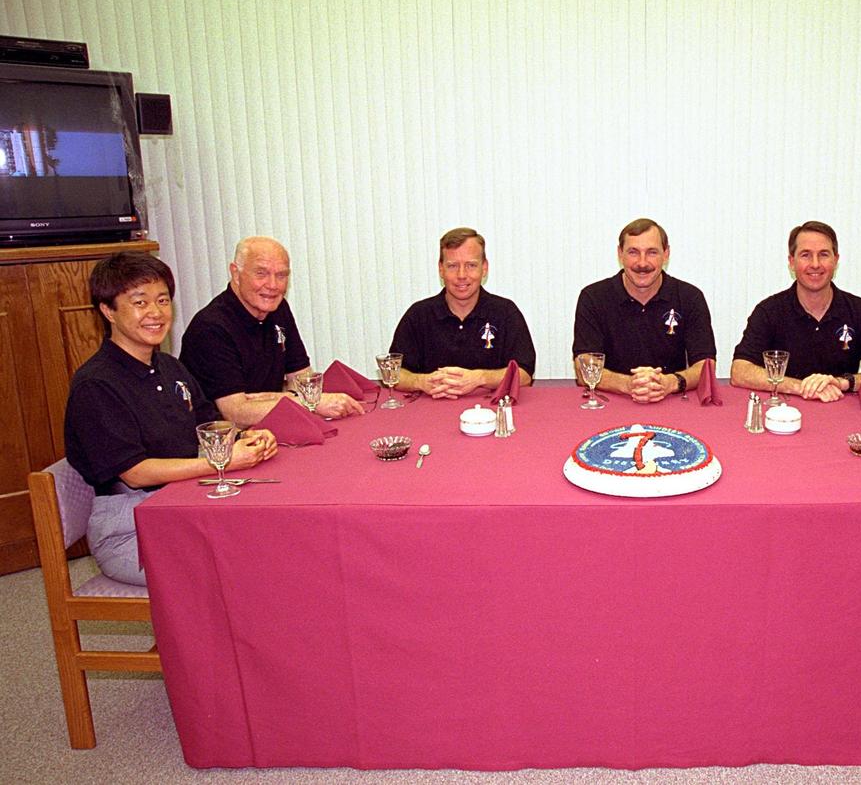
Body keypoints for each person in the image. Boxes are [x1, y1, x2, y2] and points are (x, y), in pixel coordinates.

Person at [64, 252, 277, 585]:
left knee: (270, 539)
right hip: (129, 525)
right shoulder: (96, 384)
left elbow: (209, 425)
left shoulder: (170, 367)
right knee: (241, 567)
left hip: (183, 502)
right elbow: (135, 473)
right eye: (139, 302)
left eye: (162, 300)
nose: (155, 313)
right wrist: (223, 463)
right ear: (108, 311)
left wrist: (247, 438)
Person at [180, 236, 363, 425]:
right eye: (261, 273)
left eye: (281, 275)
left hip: (270, 427)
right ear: (235, 273)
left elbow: (302, 380)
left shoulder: (278, 308)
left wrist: (278, 398)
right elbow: (235, 413)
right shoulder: (211, 327)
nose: (273, 285)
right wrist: (309, 402)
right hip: (221, 444)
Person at [730, 221, 861, 401]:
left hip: (842, 410)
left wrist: (842, 383)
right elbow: (740, 371)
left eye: (824, 255)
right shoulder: (769, 311)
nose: (815, 264)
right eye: (805, 255)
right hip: (784, 412)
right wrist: (801, 386)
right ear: (791, 261)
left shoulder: (860, 311)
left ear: (835, 260)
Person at [572, 218, 716, 403]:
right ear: (620, 254)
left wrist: (669, 383)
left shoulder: (690, 297)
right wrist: (628, 384)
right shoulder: (593, 297)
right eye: (633, 252)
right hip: (610, 402)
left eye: (652, 252)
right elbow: (583, 367)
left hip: (672, 402)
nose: (642, 262)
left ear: (666, 254)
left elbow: (706, 366)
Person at [390, 227, 536, 398]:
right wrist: (421, 381)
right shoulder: (418, 315)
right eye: (452, 266)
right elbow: (393, 373)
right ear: (441, 269)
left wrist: (479, 378)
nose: (461, 275)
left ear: (484, 268)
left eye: (471, 265)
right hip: (430, 412)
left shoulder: (506, 312)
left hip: (490, 412)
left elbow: (524, 375)